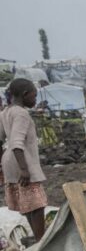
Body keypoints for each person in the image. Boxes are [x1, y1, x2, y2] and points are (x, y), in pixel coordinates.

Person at [0, 79, 48, 241]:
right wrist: (24, 169)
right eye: (34, 96)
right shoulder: (21, 113)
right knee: (38, 204)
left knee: (28, 204)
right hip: (21, 160)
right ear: (25, 94)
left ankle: (37, 237)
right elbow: (16, 142)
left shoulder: (6, 112)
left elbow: (1, 140)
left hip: (9, 160)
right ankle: (41, 242)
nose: (35, 101)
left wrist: (2, 163)